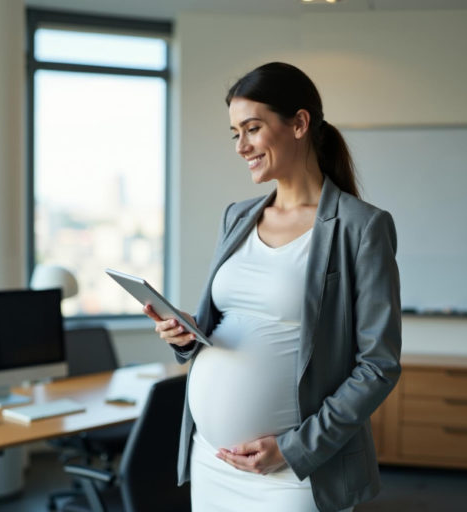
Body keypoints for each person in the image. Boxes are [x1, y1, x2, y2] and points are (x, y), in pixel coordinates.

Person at [144, 62, 402, 512]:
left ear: (299, 123)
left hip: (295, 472)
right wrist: (188, 333)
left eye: (252, 128)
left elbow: (378, 366)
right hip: (211, 458)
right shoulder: (237, 217)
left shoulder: (361, 227)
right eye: (234, 133)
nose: (241, 146)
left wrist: (295, 449)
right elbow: (227, 322)